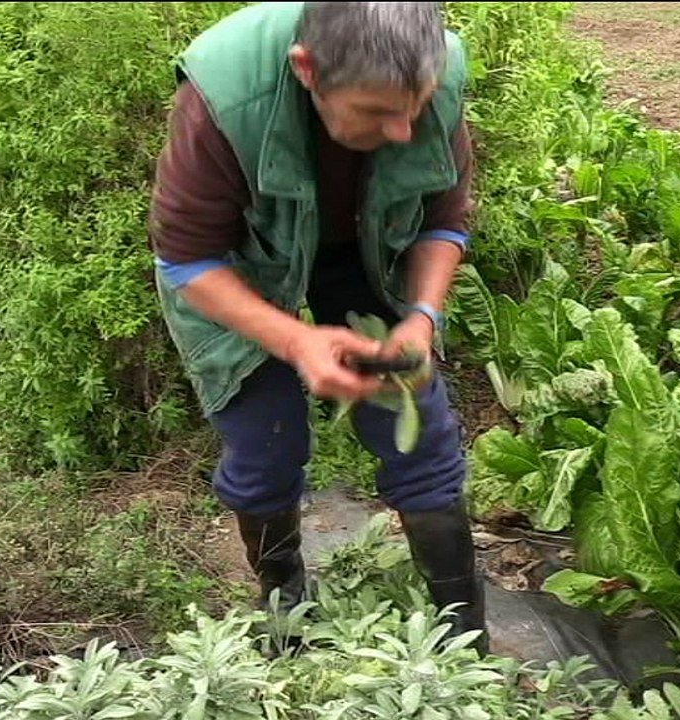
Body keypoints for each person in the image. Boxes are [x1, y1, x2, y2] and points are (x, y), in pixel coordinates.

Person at [147, 1, 486, 654]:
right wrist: (295, 340)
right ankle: (285, 620)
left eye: (413, 108)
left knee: (423, 439)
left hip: (366, 247)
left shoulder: (430, 70)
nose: (401, 130)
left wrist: (421, 316)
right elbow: (187, 257)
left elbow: (444, 220)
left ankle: (466, 639)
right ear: (308, 70)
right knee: (265, 447)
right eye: (376, 111)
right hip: (241, 265)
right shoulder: (224, 97)